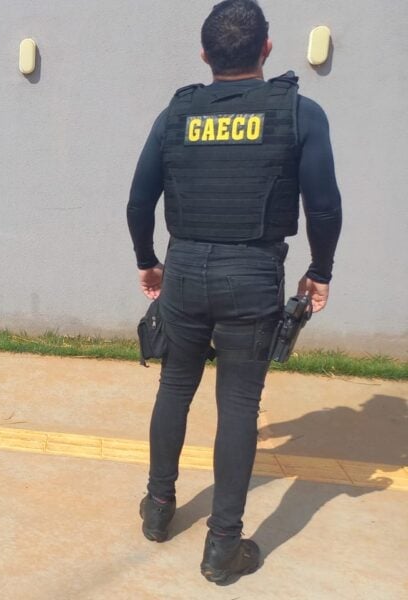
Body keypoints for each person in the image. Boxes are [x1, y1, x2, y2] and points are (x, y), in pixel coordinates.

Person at [126, 0, 342, 583]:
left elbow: (139, 202)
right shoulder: (299, 113)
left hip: (184, 269)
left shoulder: (176, 114)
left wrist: (148, 262)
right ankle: (223, 546)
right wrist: (320, 271)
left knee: (175, 387)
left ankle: (158, 509)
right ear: (266, 48)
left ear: (205, 55)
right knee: (239, 405)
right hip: (252, 275)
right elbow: (324, 207)